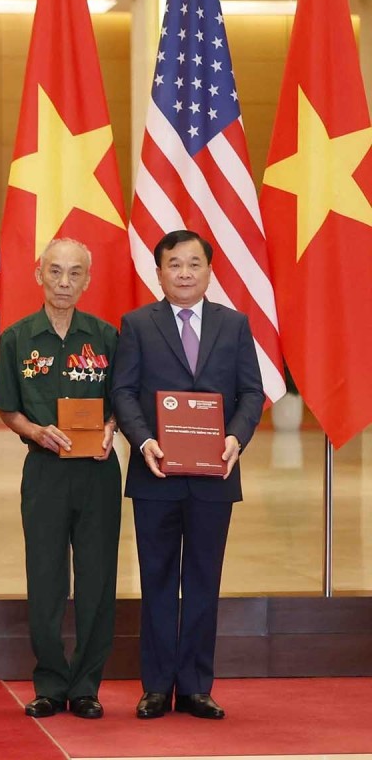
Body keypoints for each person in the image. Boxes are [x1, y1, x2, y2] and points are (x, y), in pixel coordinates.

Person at [111, 229, 264, 720]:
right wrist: (143, 440)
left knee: (203, 580)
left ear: (209, 271)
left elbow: (250, 394)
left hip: (214, 475)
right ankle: (156, 686)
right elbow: (124, 391)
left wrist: (235, 440)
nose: (183, 273)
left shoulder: (234, 325)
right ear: (158, 272)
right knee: (156, 580)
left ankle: (197, 685)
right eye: (173, 264)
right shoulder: (136, 324)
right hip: (155, 471)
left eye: (193, 264)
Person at [0, 238, 121, 720]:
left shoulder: (107, 337)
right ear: (37, 274)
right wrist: (32, 429)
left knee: (97, 579)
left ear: (88, 279)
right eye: (55, 272)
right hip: (44, 471)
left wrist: (111, 428)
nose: (64, 282)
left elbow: (121, 402)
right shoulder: (17, 338)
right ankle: (49, 682)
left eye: (74, 274)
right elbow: (8, 407)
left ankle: (87, 684)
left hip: (98, 472)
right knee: (45, 579)